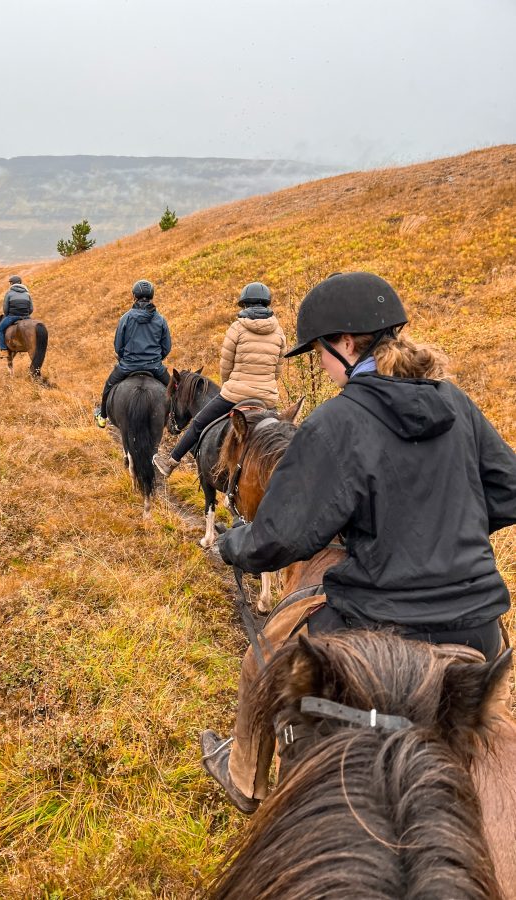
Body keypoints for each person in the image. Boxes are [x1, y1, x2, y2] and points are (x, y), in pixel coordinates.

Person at [200, 270, 516, 814]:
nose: (320, 365)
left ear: (346, 344)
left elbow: (281, 536)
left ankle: (247, 781)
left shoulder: (339, 421)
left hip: (378, 627)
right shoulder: (457, 405)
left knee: (261, 663)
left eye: (319, 352)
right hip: (479, 628)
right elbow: (509, 490)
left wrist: (235, 547)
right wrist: (440, 527)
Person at [152, 282, 286, 474]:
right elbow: (277, 370)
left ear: (245, 305)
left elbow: (226, 364)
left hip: (235, 394)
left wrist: (228, 385)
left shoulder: (237, 328)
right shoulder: (279, 331)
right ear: (267, 304)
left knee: (198, 423)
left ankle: (170, 463)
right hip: (266, 398)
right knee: (283, 432)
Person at [94, 280, 172, 428]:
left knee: (108, 385)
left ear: (133, 296)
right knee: (175, 392)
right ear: (152, 296)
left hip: (128, 366)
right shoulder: (160, 319)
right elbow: (166, 347)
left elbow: (118, 346)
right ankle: (173, 420)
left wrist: (125, 358)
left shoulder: (126, 318)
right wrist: (155, 358)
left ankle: (103, 416)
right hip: (155, 366)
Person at [0, 275, 33, 356]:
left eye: (10, 283)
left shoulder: (9, 293)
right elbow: (31, 308)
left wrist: (7, 315)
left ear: (12, 283)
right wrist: (26, 315)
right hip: (26, 317)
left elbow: (5, 308)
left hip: (13, 316)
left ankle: (3, 350)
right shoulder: (27, 293)